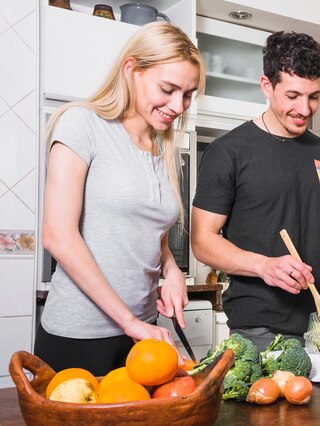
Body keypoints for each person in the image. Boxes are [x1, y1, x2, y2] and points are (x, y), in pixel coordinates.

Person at [191, 31, 320, 350]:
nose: (305, 108)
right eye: (293, 95)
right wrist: (264, 266)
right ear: (267, 86)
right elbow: (202, 241)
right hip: (258, 329)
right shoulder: (229, 152)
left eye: (314, 96)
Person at [34, 22, 205, 376]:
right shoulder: (82, 125)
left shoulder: (166, 148)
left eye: (187, 94)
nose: (178, 105)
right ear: (132, 70)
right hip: (80, 334)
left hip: (143, 332)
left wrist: (171, 272)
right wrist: (128, 321)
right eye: (168, 89)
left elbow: (151, 233)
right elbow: (58, 234)